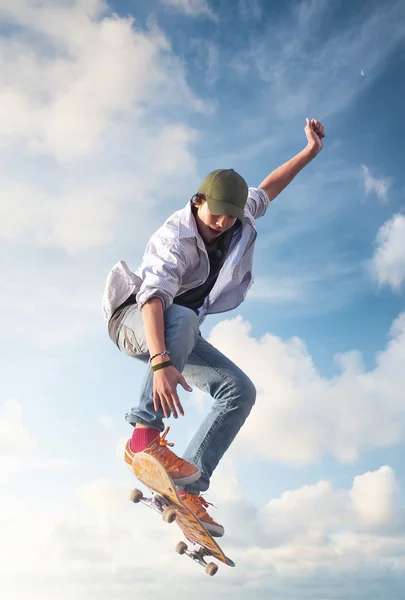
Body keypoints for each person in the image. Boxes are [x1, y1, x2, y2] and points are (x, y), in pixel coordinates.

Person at [103, 118, 326, 538]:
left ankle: (186, 488)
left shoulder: (237, 215)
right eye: (215, 216)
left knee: (239, 391)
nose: (221, 224)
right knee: (182, 316)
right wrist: (160, 361)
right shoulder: (174, 237)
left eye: (230, 218)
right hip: (135, 320)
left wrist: (310, 152)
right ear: (198, 200)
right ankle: (142, 438)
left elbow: (270, 187)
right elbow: (153, 299)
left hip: (177, 333)